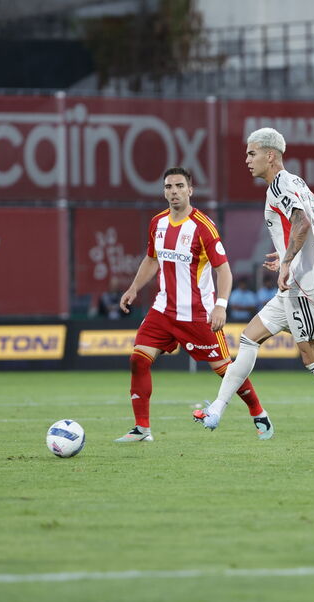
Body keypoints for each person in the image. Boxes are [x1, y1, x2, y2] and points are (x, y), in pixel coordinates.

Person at [193, 127, 314, 455]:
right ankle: (216, 409)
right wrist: (288, 250)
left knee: (312, 355)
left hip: (301, 285)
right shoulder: (299, 183)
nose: (246, 160)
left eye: (251, 153)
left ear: (270, 155)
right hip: (294, 285)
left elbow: (304, 223)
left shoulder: (279, 185)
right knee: (249, 338)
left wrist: (290, 261)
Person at [114, 167, 271, 443]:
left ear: (190, 190)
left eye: (178, 186)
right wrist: (134, 288)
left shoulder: (203, 227)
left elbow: (224, 270)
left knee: (225, 370)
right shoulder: (157, 223)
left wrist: (220, 305)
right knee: (138, 359)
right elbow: (151, 259)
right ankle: (142, 429)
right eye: (168, 187)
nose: (173, 191)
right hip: (163, 311)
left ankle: (258, 413)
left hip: (198, 315)